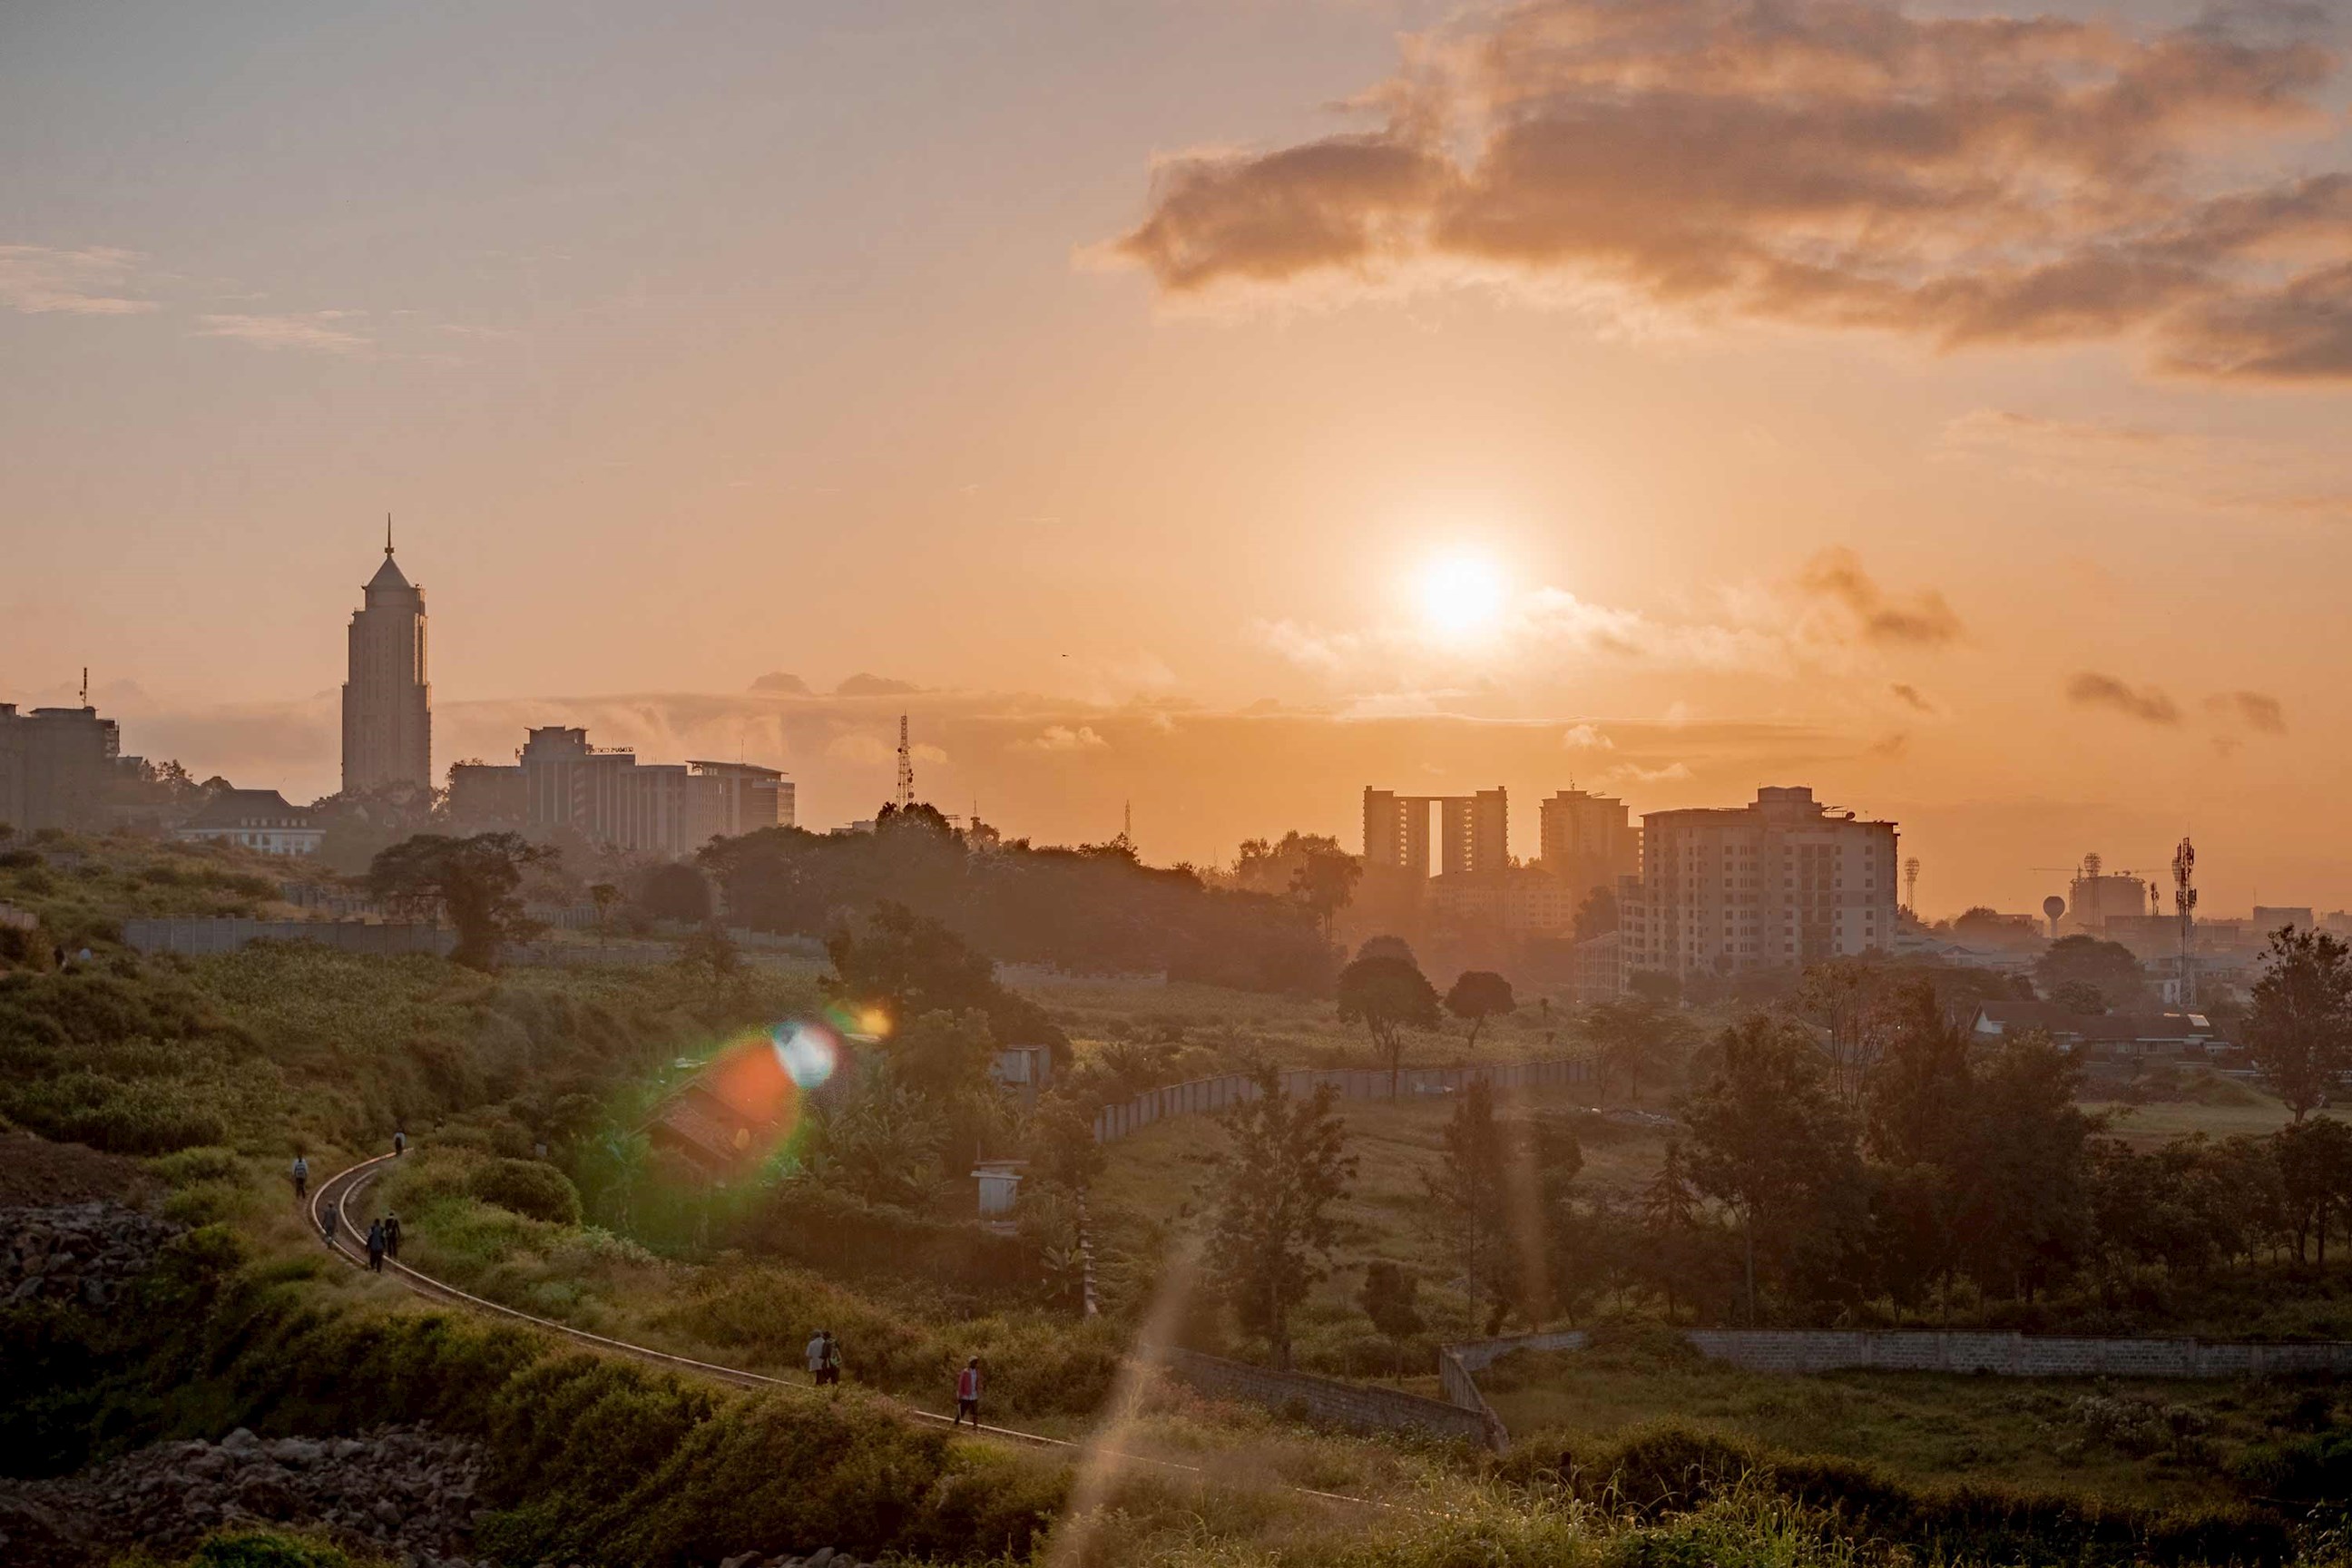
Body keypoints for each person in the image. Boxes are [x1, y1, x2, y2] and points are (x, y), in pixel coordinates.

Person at [952, 1357, 982, 1428]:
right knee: (962, 1411)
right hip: (966, 1396)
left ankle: (975, 1426)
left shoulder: (977, 1372)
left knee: (975, 1412)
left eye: (975, 1363)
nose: (974, 1364)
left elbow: (978, 1382)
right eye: (973, 1363)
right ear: (970, 1363)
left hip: (974, 1395)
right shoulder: (965, 1372)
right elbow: (961, 1384)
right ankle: (955, 1424)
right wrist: (959, 1395)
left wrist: (979, 1390)